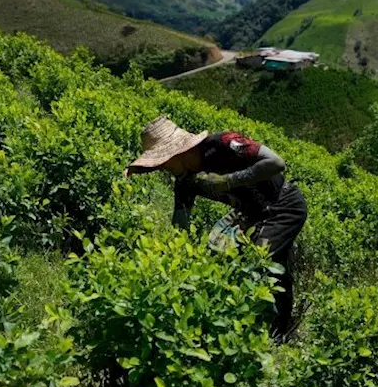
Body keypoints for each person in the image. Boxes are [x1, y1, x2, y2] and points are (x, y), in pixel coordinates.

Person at [125, 116, 308, 338]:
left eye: (163, 162)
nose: (162, 168)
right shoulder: (185, 181)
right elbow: (179, 226)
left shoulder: (221, 145)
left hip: (283, 206)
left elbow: (276, 163)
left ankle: (266, 334)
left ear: (177, 153)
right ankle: (280, 331)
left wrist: (228, 181)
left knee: (256, 263)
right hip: (251, 216)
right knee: (270, 269)